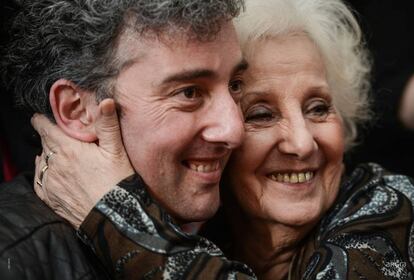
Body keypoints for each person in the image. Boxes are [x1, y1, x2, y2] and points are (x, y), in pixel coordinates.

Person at [32, 0, 414, 279]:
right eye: (260, 115)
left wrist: (117, 215)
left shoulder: (391, 206)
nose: (302, 143)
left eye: (317, 108)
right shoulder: (200, 227)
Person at [0, 0, 257, 279]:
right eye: (189, 93)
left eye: (235, 85)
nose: (234, 130)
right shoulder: (13, 257)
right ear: (77, 111)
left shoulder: (244, 227)